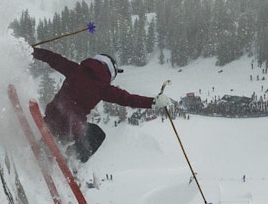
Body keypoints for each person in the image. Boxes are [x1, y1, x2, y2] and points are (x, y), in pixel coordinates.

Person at [32, 48, 172, 163]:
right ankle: (71, 159)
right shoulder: (104, 88)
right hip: (70, 127)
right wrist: (153, 102)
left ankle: (45, 148)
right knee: (97, 134)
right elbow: (129, 99)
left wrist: (31, 50)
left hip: (52, 116)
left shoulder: (75, 69)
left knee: (62, 131)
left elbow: (52, 58)